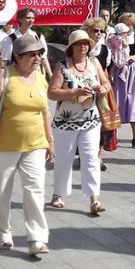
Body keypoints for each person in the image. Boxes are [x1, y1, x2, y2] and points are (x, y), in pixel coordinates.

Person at [0, 33, 54, 255]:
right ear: (17, 55)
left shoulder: (41, 75)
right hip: (5, 144)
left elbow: (44, 110)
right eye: (31, 54)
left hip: (35, 143)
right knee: (0, 191)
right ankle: (3, 232)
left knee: (35, 190)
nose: (37, 58)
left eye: (39, 54)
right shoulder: (5, 76)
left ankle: (37, 238)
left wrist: (50, 140)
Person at [48, 29, 112, 214]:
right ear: (71, 47)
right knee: (64, 159)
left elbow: (107, 83)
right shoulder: (62, 66)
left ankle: (94, 200)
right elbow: (52, 92)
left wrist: (102, 88)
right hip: (65, 122)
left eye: (86, 43)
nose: (83, 46)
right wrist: (74, 92)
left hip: (91, 120)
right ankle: (57, 194)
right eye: (79, 43)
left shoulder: (93, 63)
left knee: (91, 158)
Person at [111, 12, 135, 147]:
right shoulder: (115, 38)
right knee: (117, 100)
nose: (128, 27)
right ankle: (112, 136)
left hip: (133, 71)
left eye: (130, 25)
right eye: (125, 24)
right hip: (119, 70)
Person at [83, 17, 116, 168]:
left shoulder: (105, 49)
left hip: (102, 89)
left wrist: (105, 87)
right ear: (88, 31)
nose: (98, 34)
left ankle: (99, 156)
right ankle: (85, 154)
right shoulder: (82, 47)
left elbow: (107, 70)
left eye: (101, 31)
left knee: (104, 123)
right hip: (85, 88)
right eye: (95, 31)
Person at [14, 8, 52, 81]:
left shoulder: (39, 36)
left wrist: (50, 74)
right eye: (28, 18)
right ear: (20, 19)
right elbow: (6, 59)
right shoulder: (11, 38)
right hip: (16, 73)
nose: (31, 20)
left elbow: (43, 57)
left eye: (33, 18)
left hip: (35, 73)